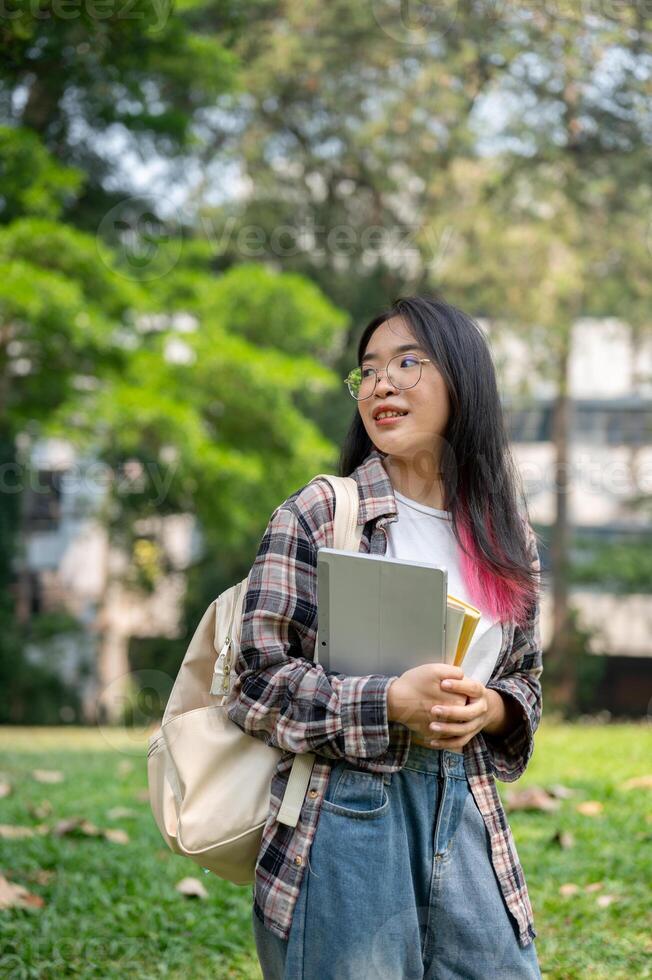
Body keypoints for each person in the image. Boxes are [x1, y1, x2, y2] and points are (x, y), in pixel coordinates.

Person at [227, 295, 544, 979]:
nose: (382, 384)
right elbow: (253, 683)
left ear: (463, 382)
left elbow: (524, 677)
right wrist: (389, 700)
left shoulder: (505, 535)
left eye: (408, 362)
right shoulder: (319, 513)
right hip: (346, 815)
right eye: (368, 371)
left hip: (467, 806)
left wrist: (490, 709)